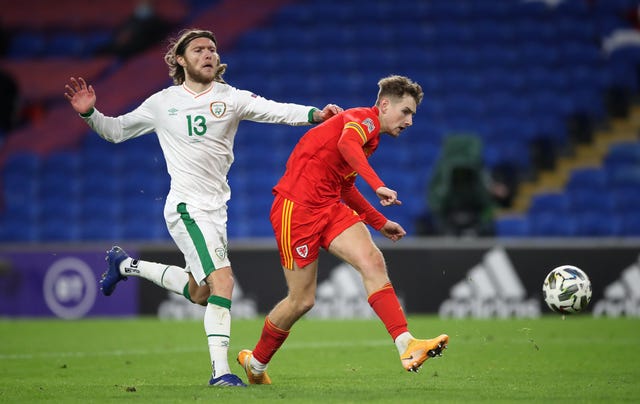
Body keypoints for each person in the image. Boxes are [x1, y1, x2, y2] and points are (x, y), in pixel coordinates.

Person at [64, 28, 342, 387]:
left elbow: (273, 109)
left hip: (216, 209)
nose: (208, 54)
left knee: (201, 292)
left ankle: (126, 264)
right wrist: (90, 115)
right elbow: (116, 131)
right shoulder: (162, 103)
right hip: (186, 206)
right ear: (181, 59)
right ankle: (220, 373)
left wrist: (314, 114)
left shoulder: (230, 97)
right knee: (224, 282)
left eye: (212, 49)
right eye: (198, 50)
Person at [236, 75, 449, 385]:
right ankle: (255, 365)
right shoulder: (362, 119)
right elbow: (346, 143)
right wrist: (377, 185)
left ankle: (407, 345)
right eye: (406, 111)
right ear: (385, 105)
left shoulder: (371, 138)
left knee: (373, 262)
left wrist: (379, 221)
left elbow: (345, 186)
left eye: (413, 114)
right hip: (296, 209)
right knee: (301, 301)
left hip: (329, 206)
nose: (410, 121)